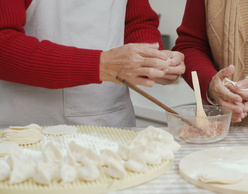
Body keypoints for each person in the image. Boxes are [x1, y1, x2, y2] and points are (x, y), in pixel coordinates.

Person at [0, 0, 185, 128]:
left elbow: (136, 21)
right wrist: (101, 65)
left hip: (112, 124)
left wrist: (152, 61)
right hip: (31, 129)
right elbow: (3, 43)